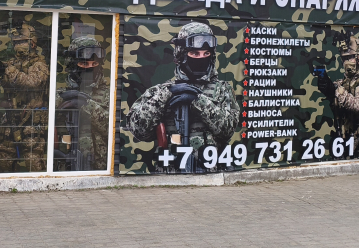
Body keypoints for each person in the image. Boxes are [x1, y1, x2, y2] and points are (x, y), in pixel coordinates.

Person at [126, 22, 238, 172]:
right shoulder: (160, 91)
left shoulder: (222, 90)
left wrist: (198, 101)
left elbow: (227, 131)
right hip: (170, 175)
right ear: (181, 54)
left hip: (211, 174)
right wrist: (165, 95)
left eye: (206, 53)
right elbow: (139, 131)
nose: (201, 58)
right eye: (195, 54)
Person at [0, 22, 49, 172]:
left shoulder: (39, 64)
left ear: (32, 43)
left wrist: (11, 72)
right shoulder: (13, 63)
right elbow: (3, 74)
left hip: (31, 122)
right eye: (16, 42)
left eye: (23, 42)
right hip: (11, 119)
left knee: (33, 160)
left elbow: (32, 82)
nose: (19, 45)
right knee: (5, 158)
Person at [56, 36, 110, 171]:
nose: (90, 68)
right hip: (66, 165)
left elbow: (111, 128)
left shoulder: (108, 93)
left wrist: (86, 105)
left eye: (94, 64)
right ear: (73, 65)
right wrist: (59, 101)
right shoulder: (60, 94)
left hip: (99, 166)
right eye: (84, 64)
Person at [317, 34, 359, 158]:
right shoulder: (343, 82)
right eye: (344, 58)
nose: (347, 62)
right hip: (344, 140)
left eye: (351, 57)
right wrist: (326, 85)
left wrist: (340, 92)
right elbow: (334, 93)